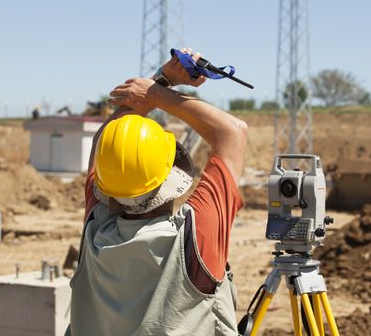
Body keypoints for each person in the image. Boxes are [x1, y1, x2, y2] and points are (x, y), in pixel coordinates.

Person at [65, 48, 248, 336]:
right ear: (171, 176)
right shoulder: (194, 237)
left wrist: (161, 82)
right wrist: (158, 91)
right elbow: (233, 132)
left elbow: (108, 142)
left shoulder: (95, 229)